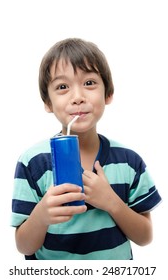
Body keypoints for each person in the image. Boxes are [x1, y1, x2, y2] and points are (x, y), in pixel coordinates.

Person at [11, 38, 162, 260]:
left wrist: (112, 202)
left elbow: (145, 237)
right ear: (48, 103)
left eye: (89, 83)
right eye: (62, 87)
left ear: (108, 94)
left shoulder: (129, 162)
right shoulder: (33, 162)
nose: (78, 97)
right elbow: (24, 246)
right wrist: (41, 215)